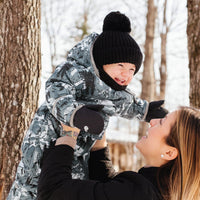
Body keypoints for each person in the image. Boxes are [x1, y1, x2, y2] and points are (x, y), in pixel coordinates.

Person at [7, 11, 167, 199]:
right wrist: (76, 114)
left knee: (74, 184)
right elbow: (56, 91)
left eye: (132, 69)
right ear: (103, 62)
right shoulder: (76, 72)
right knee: (32, 183)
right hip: (48, 137)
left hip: (80, 149)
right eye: (121, 66)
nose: (126, 74)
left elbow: (127, 104)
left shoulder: (115, 89)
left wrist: (146, 111)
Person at [37, 106, 200, 200]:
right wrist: (100, 139)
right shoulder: (157, 192)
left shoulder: (141, 194)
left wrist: (68, 135)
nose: (152, 121)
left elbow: (53, 192)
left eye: (162, 122)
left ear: (170, 152)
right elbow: (107, 191)